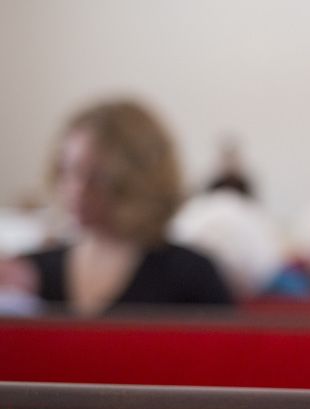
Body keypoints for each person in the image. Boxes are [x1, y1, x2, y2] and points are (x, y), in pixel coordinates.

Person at [4, 98, 233, 315]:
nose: (76, 190)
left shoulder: (191, 275)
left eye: (96, 177)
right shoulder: (28, 273)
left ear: (138, 180)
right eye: (67, 171)